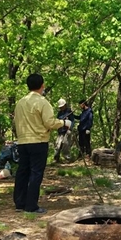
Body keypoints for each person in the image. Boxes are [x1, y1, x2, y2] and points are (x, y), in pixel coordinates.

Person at [13, 74, 71, 214]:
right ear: (42, 85)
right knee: (36, 173)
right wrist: (64, 123)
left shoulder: (20, 102)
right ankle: (31, 205)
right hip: (38, 142)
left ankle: (20, 202)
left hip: (22, 142)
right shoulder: (42, 102)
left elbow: (15, 122)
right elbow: (49, 122)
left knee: (22, 172)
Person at [53, 98, 76, 163]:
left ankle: (67, 158)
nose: (61, 108)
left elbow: (72, 121)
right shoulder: (59, 113)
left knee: (66, 144)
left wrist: (70, 129)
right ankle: (56, 158)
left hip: (67, 130)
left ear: (65, 105)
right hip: (60, 130)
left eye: (62, 106)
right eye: (60, 107)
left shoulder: (69, 112)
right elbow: (57, 120)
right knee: (58, 144)